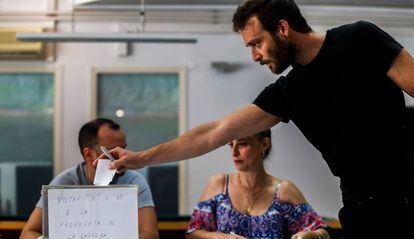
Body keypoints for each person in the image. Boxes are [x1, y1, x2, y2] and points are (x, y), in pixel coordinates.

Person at [95, 0, 414, 238]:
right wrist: (142, 158)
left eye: (256, 43)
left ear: (283, 28)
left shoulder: (360, 38)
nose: (254, 55)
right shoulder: (288, 92)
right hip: (364, 208)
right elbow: (213, 133)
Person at [20, 118, 159, 239]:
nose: (123, 157)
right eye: (113, 153)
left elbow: (151, 235)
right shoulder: (64, 183)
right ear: (89, 154)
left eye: (124, 149)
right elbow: (27, 233)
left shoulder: (134, 182)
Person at [186, 130, 329, 239]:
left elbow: (323, 232)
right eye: (231, 144)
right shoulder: (220, 184)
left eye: (242, 143)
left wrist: (312, 236)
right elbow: (193, 233)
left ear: (264, 144)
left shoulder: (284, 190)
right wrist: (222, 237)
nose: (234, 152)